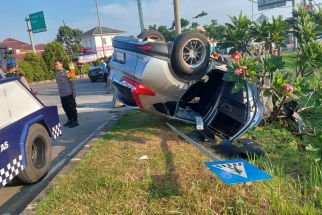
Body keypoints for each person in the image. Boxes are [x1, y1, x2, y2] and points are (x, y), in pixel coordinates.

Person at [54, 59, 79, 128]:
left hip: (69, 93)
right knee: (65, 108)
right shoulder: (57, 73)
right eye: (55, 64)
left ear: (61, 64)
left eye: (57, 64)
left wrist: (74, 92)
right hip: (62, 94)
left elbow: (72, 82)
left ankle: (75, 121)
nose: (55, 66)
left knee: (72, 108)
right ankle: (70, 120)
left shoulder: (67, 72)